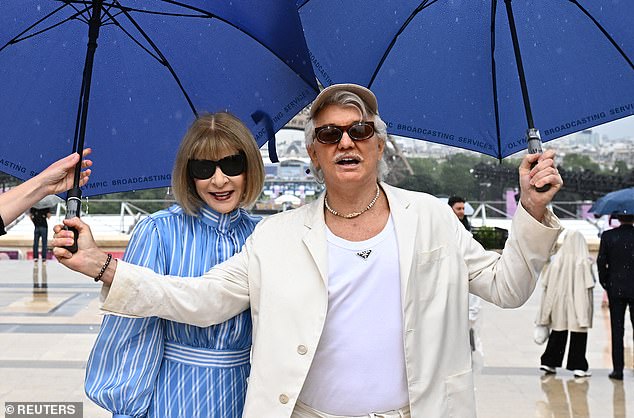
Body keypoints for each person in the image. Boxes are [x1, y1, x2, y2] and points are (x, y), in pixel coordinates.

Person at [53, 84, 564, 417]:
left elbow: (508, 287)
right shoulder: (275, 237)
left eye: (359, 129)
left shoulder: (430, 216)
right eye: (329, 133)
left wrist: (533, 212)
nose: (347, 141)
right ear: (313, 154)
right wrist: (100, 265)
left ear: (379, 143)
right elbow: (203, 299)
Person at [84, 112, 264, 418]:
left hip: (245, 397)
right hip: (174, 397)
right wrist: (127, 407)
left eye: (232, 165)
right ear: (188, 174)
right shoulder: (158, 232)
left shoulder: (264, 235)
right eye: (204, 168)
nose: (219, 180)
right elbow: (132, 328)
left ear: (250, 168)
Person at [536, 228, 594, 378]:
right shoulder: (583, 262)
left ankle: (550, 361)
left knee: (558, 331)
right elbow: (589, 284)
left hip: (558, 303)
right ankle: (578, 365)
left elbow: (546, 285)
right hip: (577, 303)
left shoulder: (556, 262)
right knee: (578, 333)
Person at [0, 150, 92, 236]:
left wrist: (44, 184)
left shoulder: (36, 208)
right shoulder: (45, 207)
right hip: (43, 226)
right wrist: (44, 185)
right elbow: (47, 216)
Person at [596, 213, 634, 381]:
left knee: (617, 330)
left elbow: (601, 262)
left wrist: (606, 283)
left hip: (615, 288)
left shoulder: (609, 236)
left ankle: (618, 369)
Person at [447, 196, 482, 355]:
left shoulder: (467, 229)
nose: (461, 212)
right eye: (458, 209)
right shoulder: (443, 228)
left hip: (466, 276)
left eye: (463, 209)